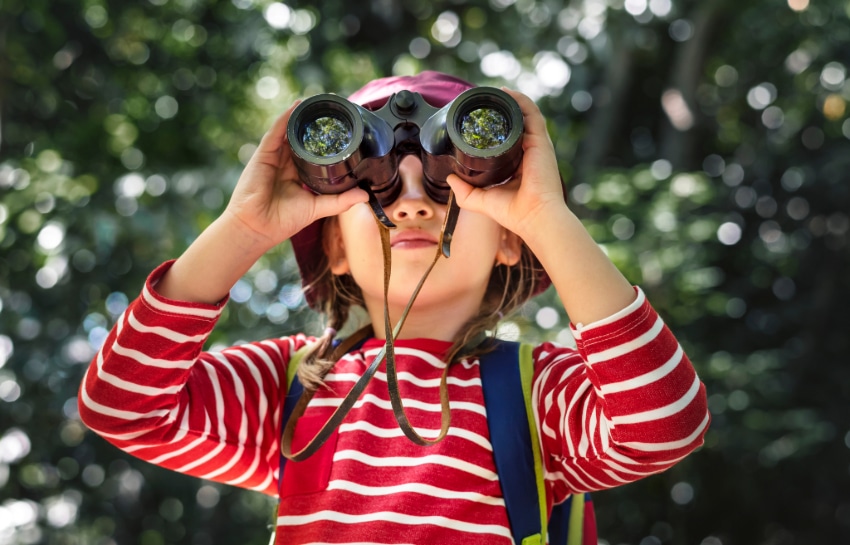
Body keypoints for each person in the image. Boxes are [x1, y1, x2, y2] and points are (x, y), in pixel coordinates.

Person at [78, 71, 710, 544]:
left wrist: (547, 217)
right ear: (333, 243)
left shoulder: (536, 394)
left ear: (510, 240)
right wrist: (243, 228)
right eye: (378, 184)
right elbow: (122, 406)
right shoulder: (294, 386)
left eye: (447, 183)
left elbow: (665, 425)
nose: (412, 204)